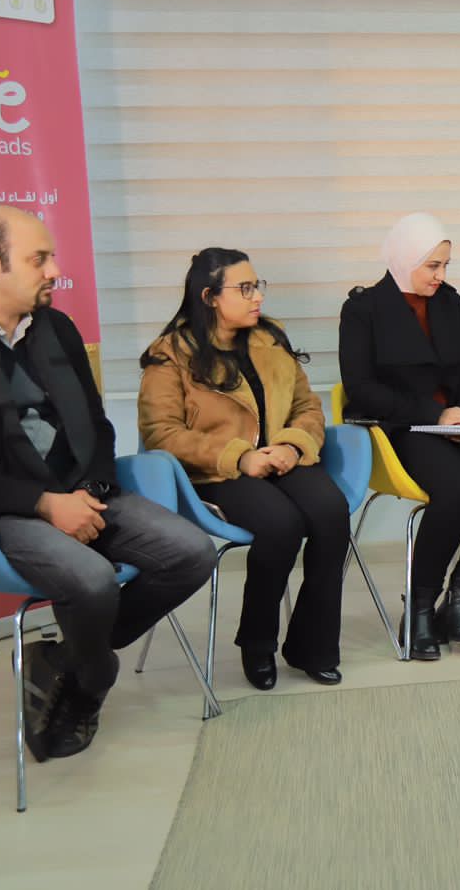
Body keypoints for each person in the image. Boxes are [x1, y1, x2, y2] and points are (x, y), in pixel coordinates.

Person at [0, 206, 215, 761]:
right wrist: (43, 504)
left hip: (79, 492)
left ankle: (63, 660)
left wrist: (93, 493)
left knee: (192, 552)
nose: (55, 270)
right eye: (39, 259)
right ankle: (94, 677)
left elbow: (97, 426)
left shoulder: (57, 329)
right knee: (92, 580)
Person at [139, 248, 351, 689]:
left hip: (281, 458)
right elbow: (161, 434)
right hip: (216, 471)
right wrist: (239, 456)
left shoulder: (270, 338)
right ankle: (257, 643)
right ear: (210, 297)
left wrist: (293, 445)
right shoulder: (171, 353)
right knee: (280, 524)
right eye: (246, 288)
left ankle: (312, 646)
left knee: (331, 512)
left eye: (258, 286)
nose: (258, 297)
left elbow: (307, 406)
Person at [337, 213, 460, 661]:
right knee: (458, 488)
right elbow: (361, 388)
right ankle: (420, 608)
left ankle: (459, 602)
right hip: (403, 425)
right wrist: (436, 414)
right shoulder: (363, 309)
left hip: (457, 422)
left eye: (445, 266)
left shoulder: (448, 302)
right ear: (406, 259)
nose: (440, 276)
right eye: (432, 266)